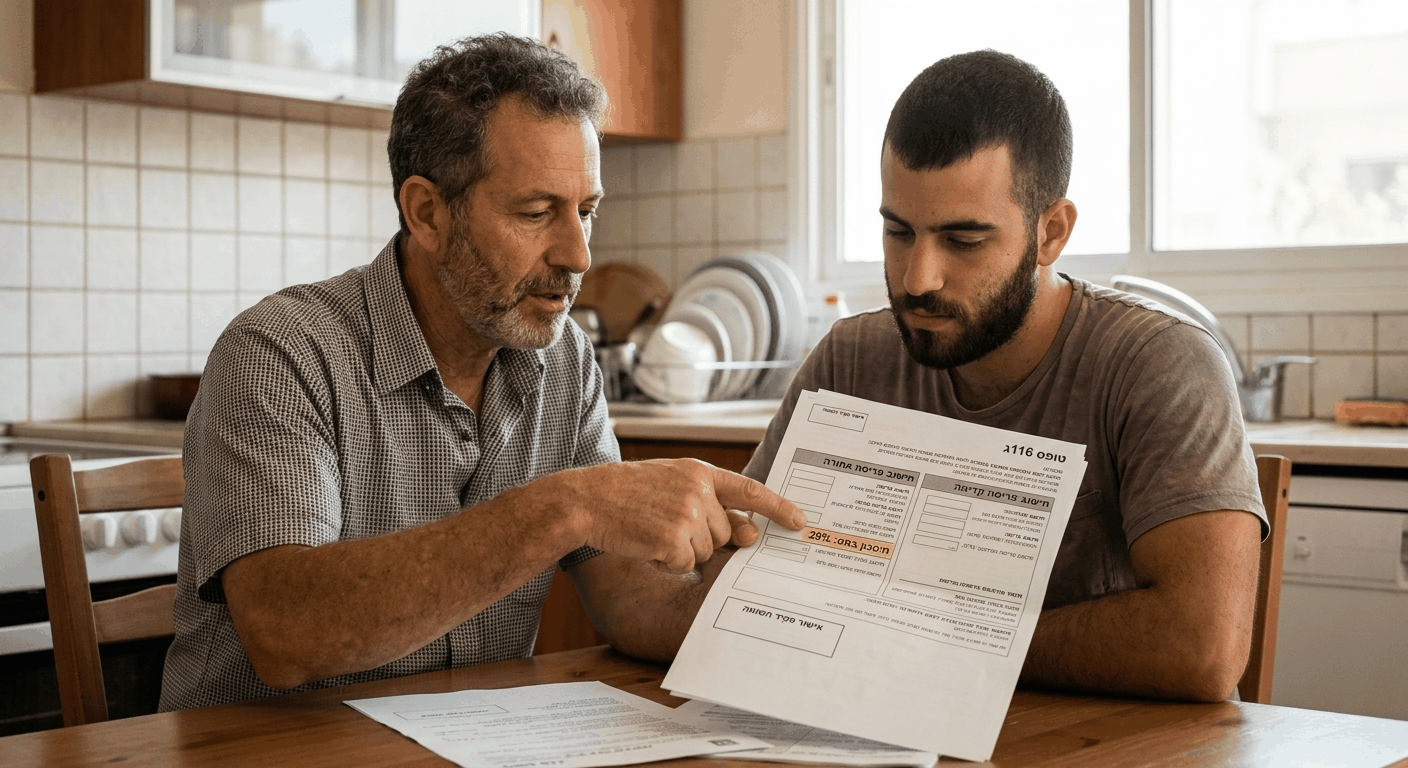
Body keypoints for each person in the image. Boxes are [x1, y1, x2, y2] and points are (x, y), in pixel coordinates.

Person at [159, 34, 804, 711]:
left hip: (463, 747)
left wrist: (749, 604)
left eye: (587, 211)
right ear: (427, 213)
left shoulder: (564, 359)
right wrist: (567, 506)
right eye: (536, 213)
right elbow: (286, 633)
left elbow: (626, 597)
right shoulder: (281, 353)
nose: (580, 255)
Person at [744, 50, 1266, 702]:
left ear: (1051, 233)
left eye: (963, 241)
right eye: (898, 231)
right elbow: (743, 573)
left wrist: (912, 643)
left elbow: (1203, 648)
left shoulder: (1157, 365)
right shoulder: (851, 359)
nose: (918, 278)